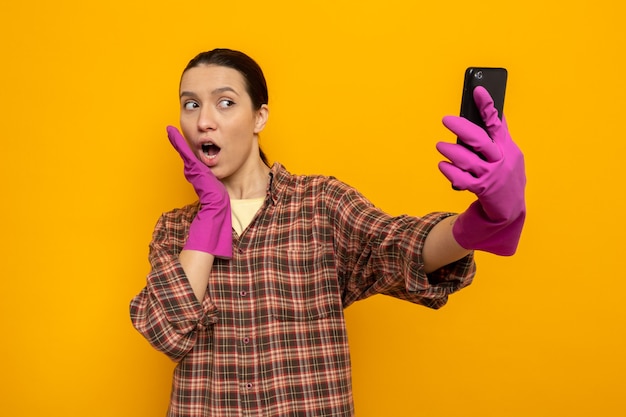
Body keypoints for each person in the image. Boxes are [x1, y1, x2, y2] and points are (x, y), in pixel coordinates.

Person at [130, 48, 526, 417]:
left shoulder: (321, 204)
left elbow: (397, 246)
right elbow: (167, 330)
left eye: (226, 102)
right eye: (191, 104)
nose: (203, 120)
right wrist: (212, 212)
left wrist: (483, 221)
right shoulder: (174, 229)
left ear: (259, 117)